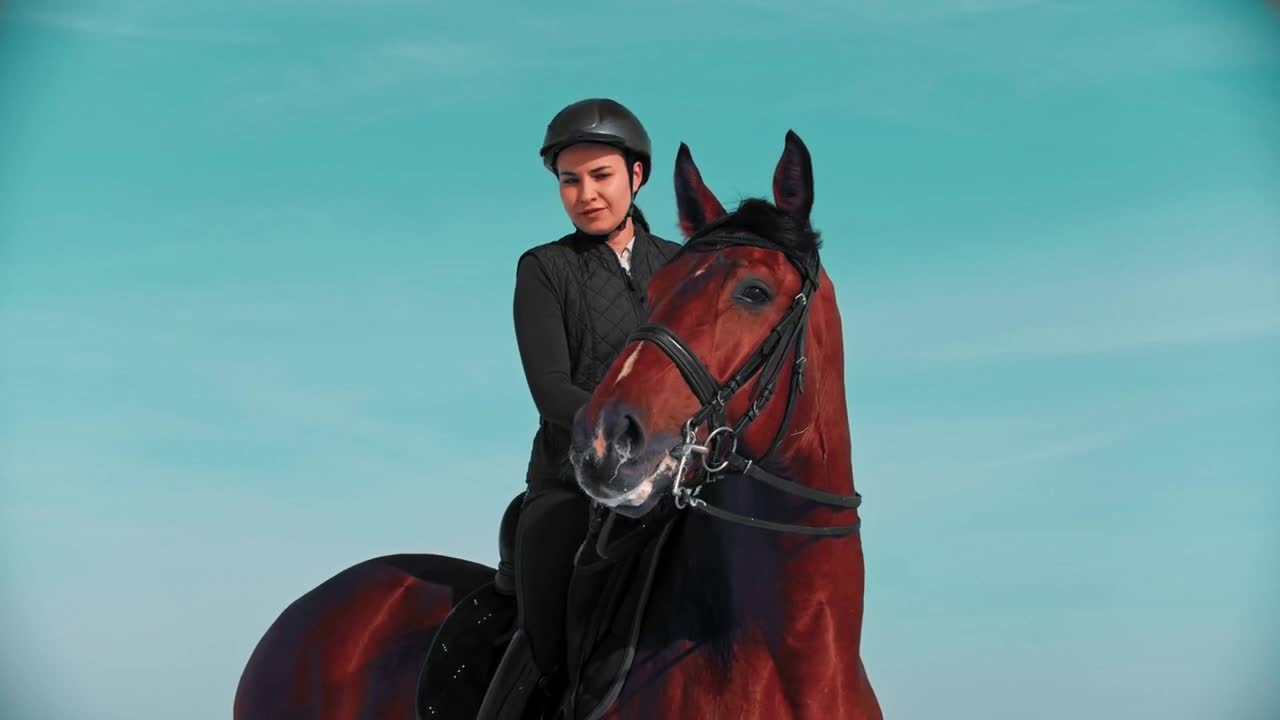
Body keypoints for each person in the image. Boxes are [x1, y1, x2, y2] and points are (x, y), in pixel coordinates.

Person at [477, 98, 682, 718]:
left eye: (601, 176)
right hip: (573, 484)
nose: (586, 194)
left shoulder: (682, 268)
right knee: (546, 639)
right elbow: (551, 390)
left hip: (681, 483)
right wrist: (636, 442)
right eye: (571, 180)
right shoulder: (545, 269)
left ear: (636, 176)